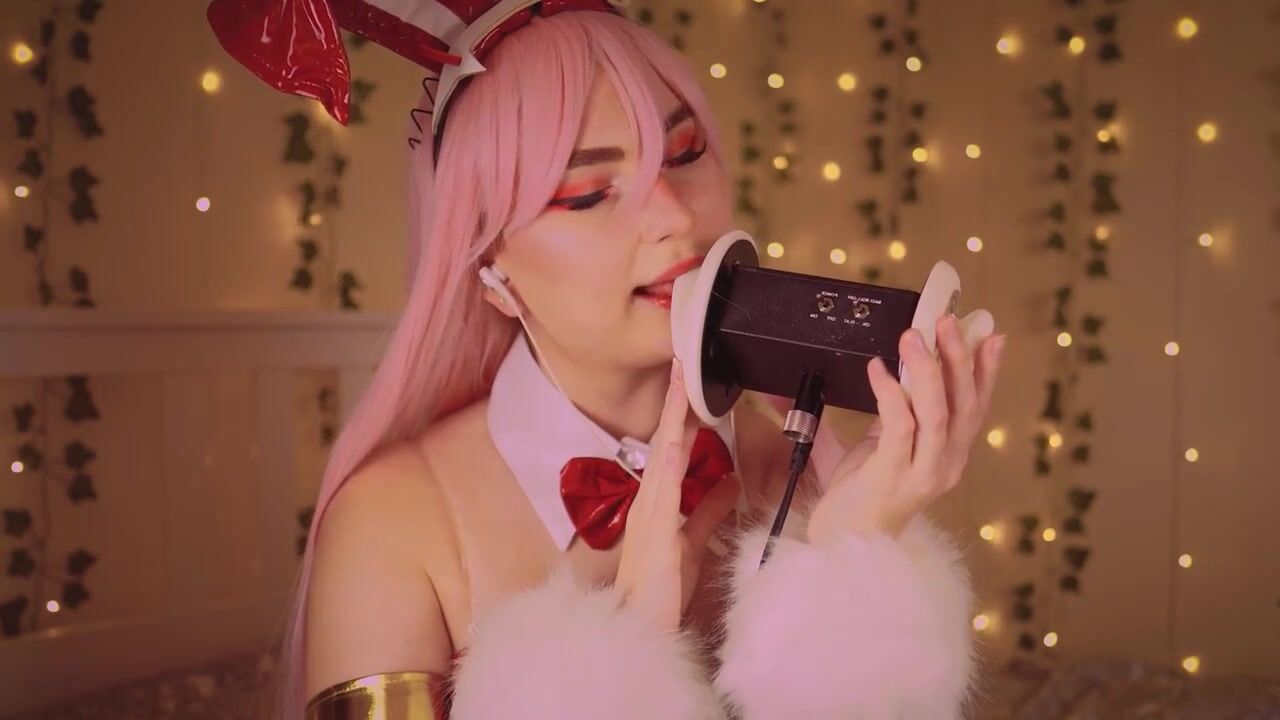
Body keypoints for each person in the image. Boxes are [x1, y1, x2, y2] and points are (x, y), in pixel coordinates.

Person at [209, 2, 1006, 718]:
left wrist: (855, 562)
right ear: (489, 266)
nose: (673, 216)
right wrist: (627, 651)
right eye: (589, 193)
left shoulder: (811, 474)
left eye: (684, 153)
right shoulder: (392, 523)